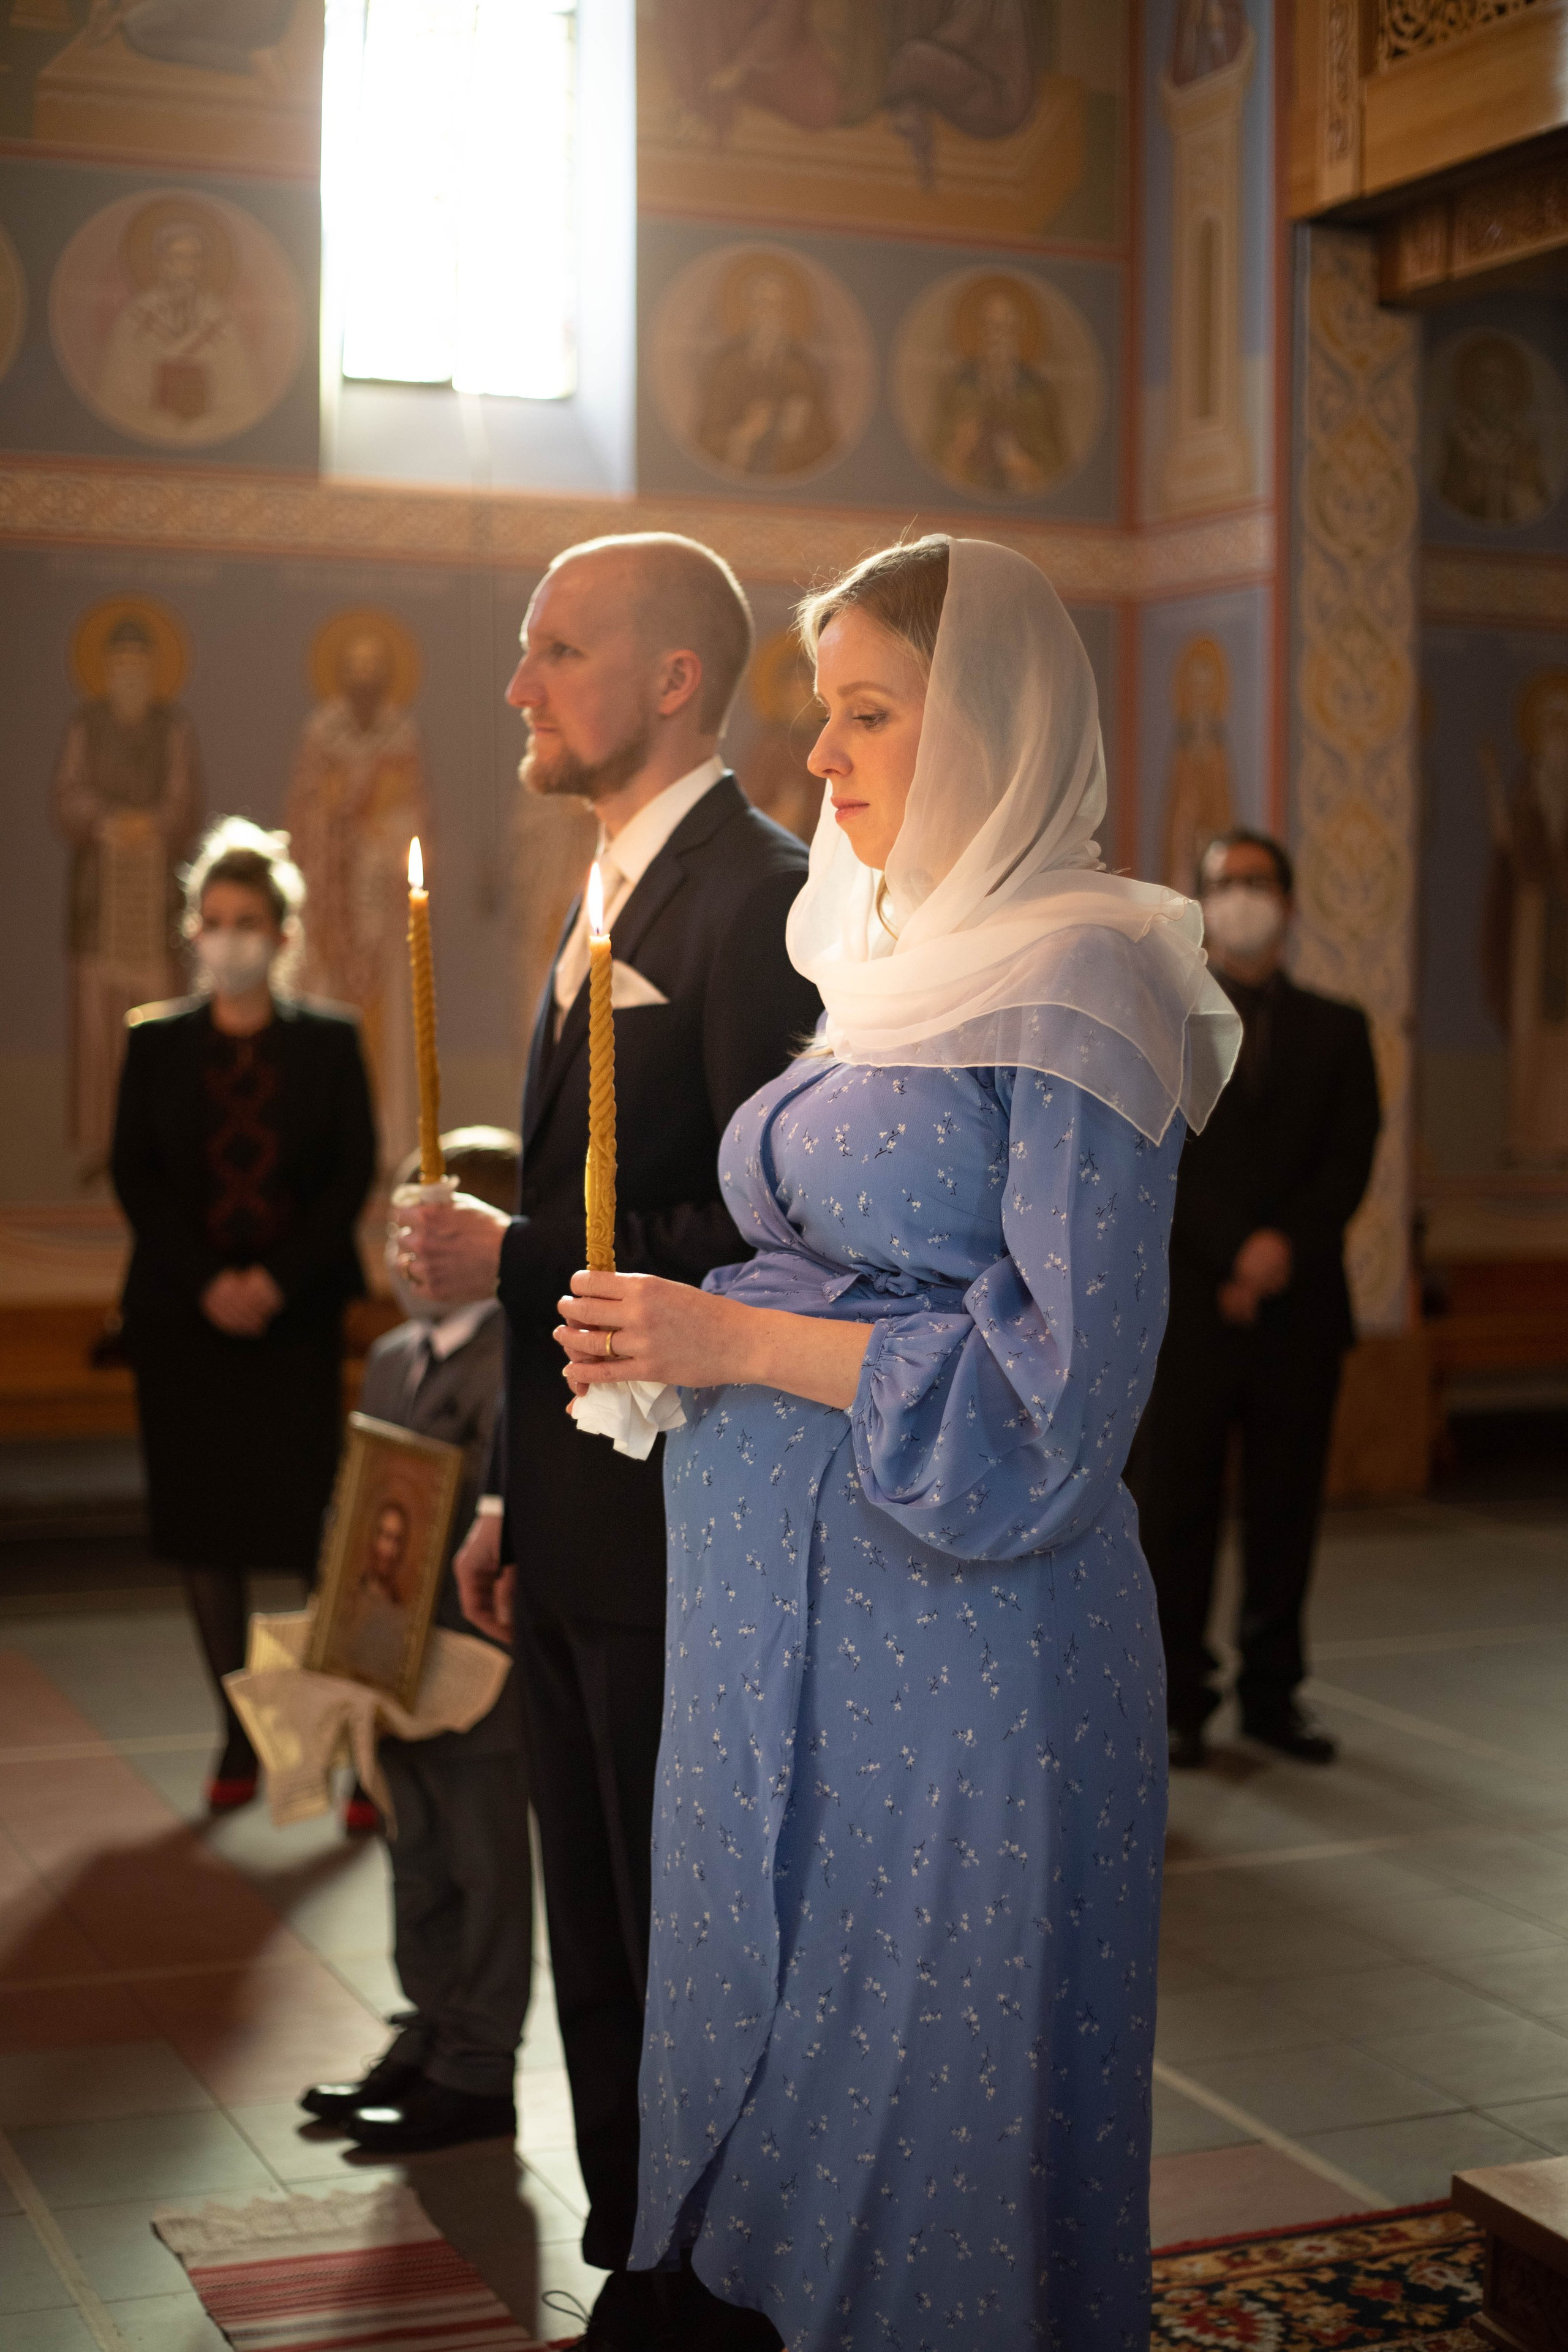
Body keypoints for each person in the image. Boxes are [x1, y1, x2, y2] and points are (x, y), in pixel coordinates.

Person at [552, 537, 1241, 2348]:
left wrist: (727, 1338)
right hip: (804, 1641)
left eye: (869, 711)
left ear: (994, 722)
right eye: (821, 711)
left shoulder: (1088, 971)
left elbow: (1058, 1394)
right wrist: (680, 1364)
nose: (824, 757)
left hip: (965, 1646)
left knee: (920, 2108)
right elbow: (845, 1270)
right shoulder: (888, 966)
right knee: (802, 2095)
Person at [398, 533, 821, 2351]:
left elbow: (764, 1243)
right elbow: (609, 1200)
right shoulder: (603, 895)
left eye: (553, 651)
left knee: (688, 1935)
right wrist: (505, 1480)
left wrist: (498, 1254)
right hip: (577, 1509)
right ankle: (639, 2253)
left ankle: (714, 2283)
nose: (517, 686)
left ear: (667, 679)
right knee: (597, 1920)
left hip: (699, 1526)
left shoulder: (757, 898)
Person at [111, 818, 376, 1811]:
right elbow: (138, 1176)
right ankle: (235, 1733)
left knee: (311, 1528)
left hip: (293, 1323)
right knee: (203, 1532)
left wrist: (273, 1281)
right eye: (215, 921)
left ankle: (320, 1729)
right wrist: (209, 1281)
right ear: (194, 930)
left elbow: (348, 1173)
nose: (230, 938)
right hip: (184, 1326)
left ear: (283, 931)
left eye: (249, 921)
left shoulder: (328, 1045)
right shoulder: (155, 1043)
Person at [1125, 829, 1381, 1769]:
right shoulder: (1167, 1024)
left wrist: (1279, 1249)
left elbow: (1347, 1160)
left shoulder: (1337, 1027)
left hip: (1299, 1308)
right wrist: (1233, 1251)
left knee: (1285, 1511)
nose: (1244, 898)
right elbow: (1161, 1159)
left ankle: (1275, 1695)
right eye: (1224, 884)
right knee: (1176, 1510)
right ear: (1199, 906)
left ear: (1289, 899)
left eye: (1259, 882)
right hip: (1190, 1309)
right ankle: (1177, 1701)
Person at [301, 1128, 533, 2160]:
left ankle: (479, 2066)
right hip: (393, 1663)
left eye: (428, 1235)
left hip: (476, 1665)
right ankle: (428, 2032)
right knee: (417, 1855)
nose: (409, 1257)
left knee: (485, 1865)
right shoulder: (394, 1359)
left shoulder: (515, 1360)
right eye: (397, 1233)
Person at [51, 612, 204, 1177]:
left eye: (140, 664)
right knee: (98, 1022)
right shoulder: (85, 726)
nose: (130, 674)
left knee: (158, 1019)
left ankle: (158, 1140)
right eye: (121, 664)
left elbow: (184, 800)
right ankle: (99, 1142)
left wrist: (153, 824)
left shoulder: (174, 728)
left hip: (157, 899)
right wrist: (108, 822)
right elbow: (67, 797)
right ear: (107, 670)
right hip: (99, 901)